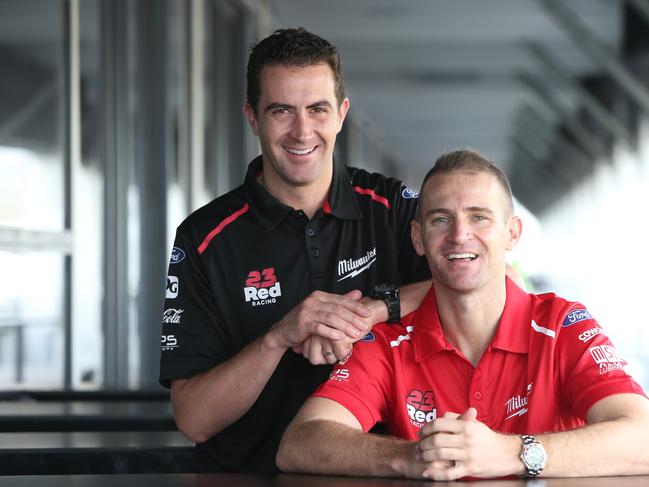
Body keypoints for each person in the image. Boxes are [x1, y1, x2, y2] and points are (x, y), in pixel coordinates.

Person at [276, 149, 649, 480]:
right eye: (441, 219)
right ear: (418, 240)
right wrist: (412, 456)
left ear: (512, 235)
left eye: (479, 217)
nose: (459, 235)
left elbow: (642, 439)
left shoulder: (563, 326)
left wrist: (510, 453)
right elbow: (298, 443)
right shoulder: (389, 344)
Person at [158, 27, 431, 473]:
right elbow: (194, 420)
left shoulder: (393, 209)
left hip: (382, 472)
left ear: (341, 113)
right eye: (281, 111)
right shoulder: (203, 238)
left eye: (317, 109)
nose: (302, 131)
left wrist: (373, 312)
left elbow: (483, 285)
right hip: (247, 476)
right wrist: (279, 336)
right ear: (252, 117)